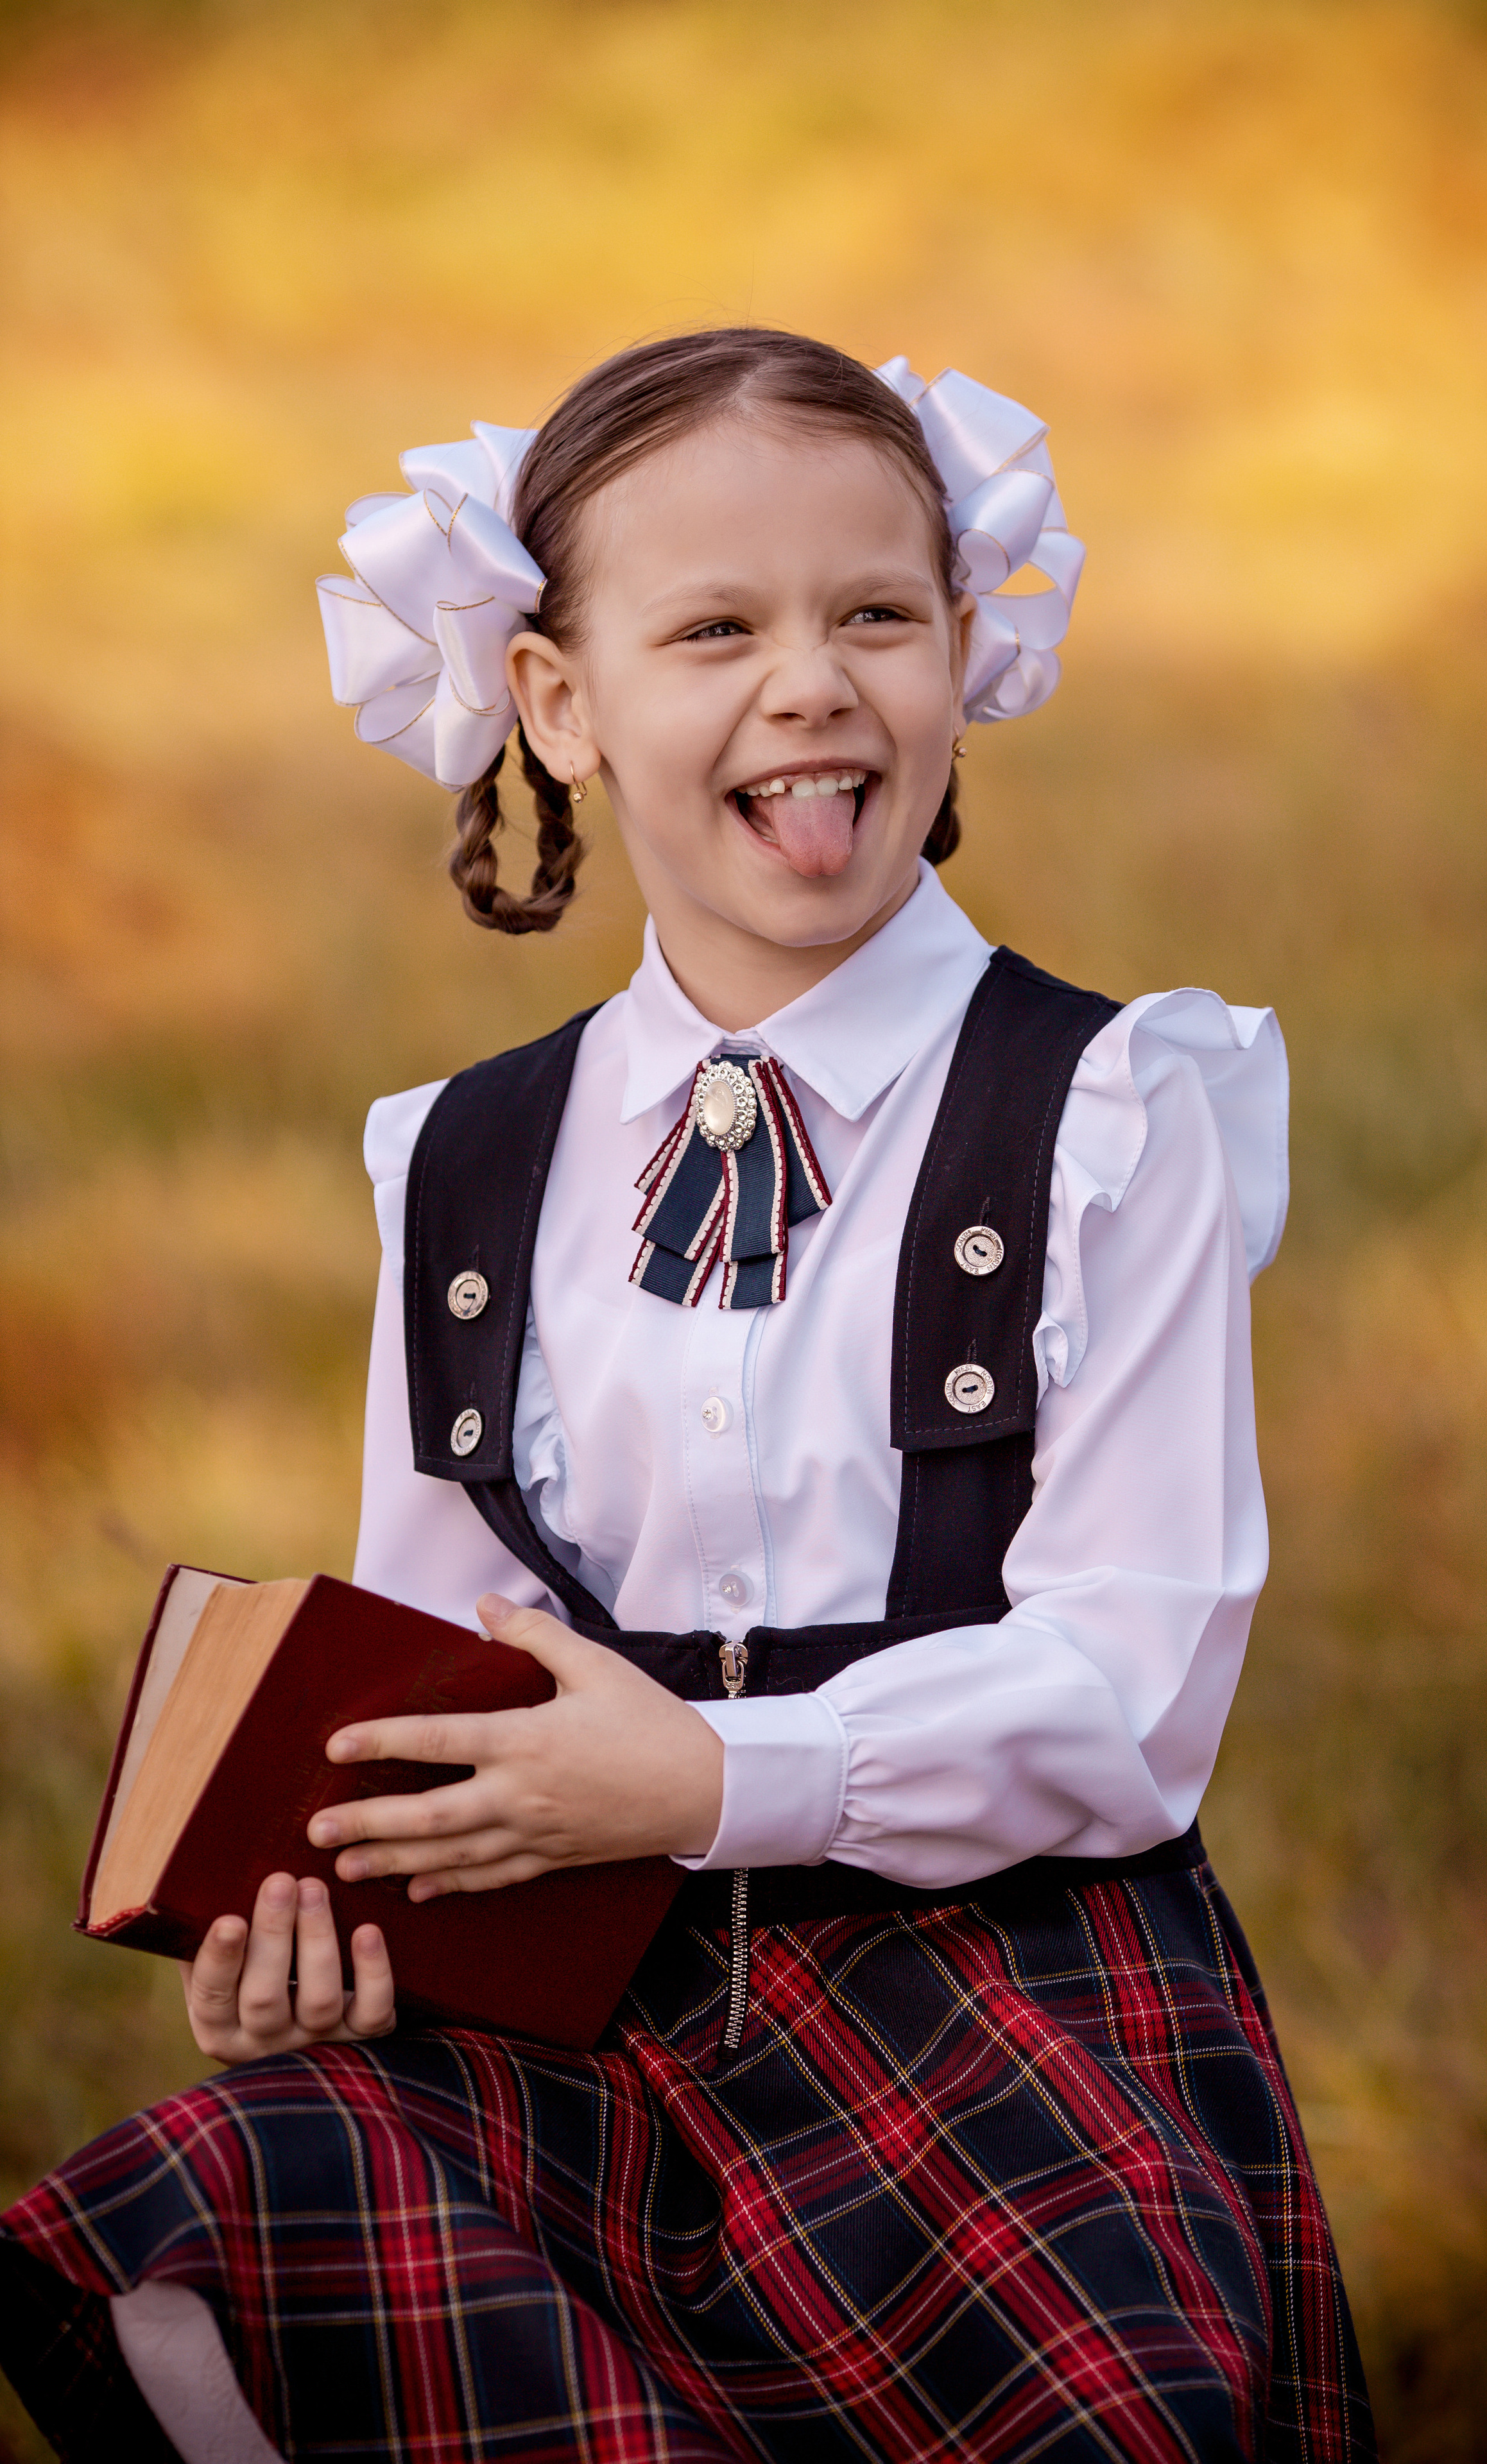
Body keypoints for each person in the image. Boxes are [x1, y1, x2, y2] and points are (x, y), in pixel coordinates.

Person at [1, 328, 1374, 2462]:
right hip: (573, 2001)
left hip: (999, 2017)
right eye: (716, 625)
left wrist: (719, 1779)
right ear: (559, 696)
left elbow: (1130, 1689)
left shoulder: (1108, 1109)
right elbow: (450, 1670)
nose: (813, 683)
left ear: (967, 652)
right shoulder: (460, 1159)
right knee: (208, 2230)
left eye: (876, 617)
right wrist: (316, 1918)